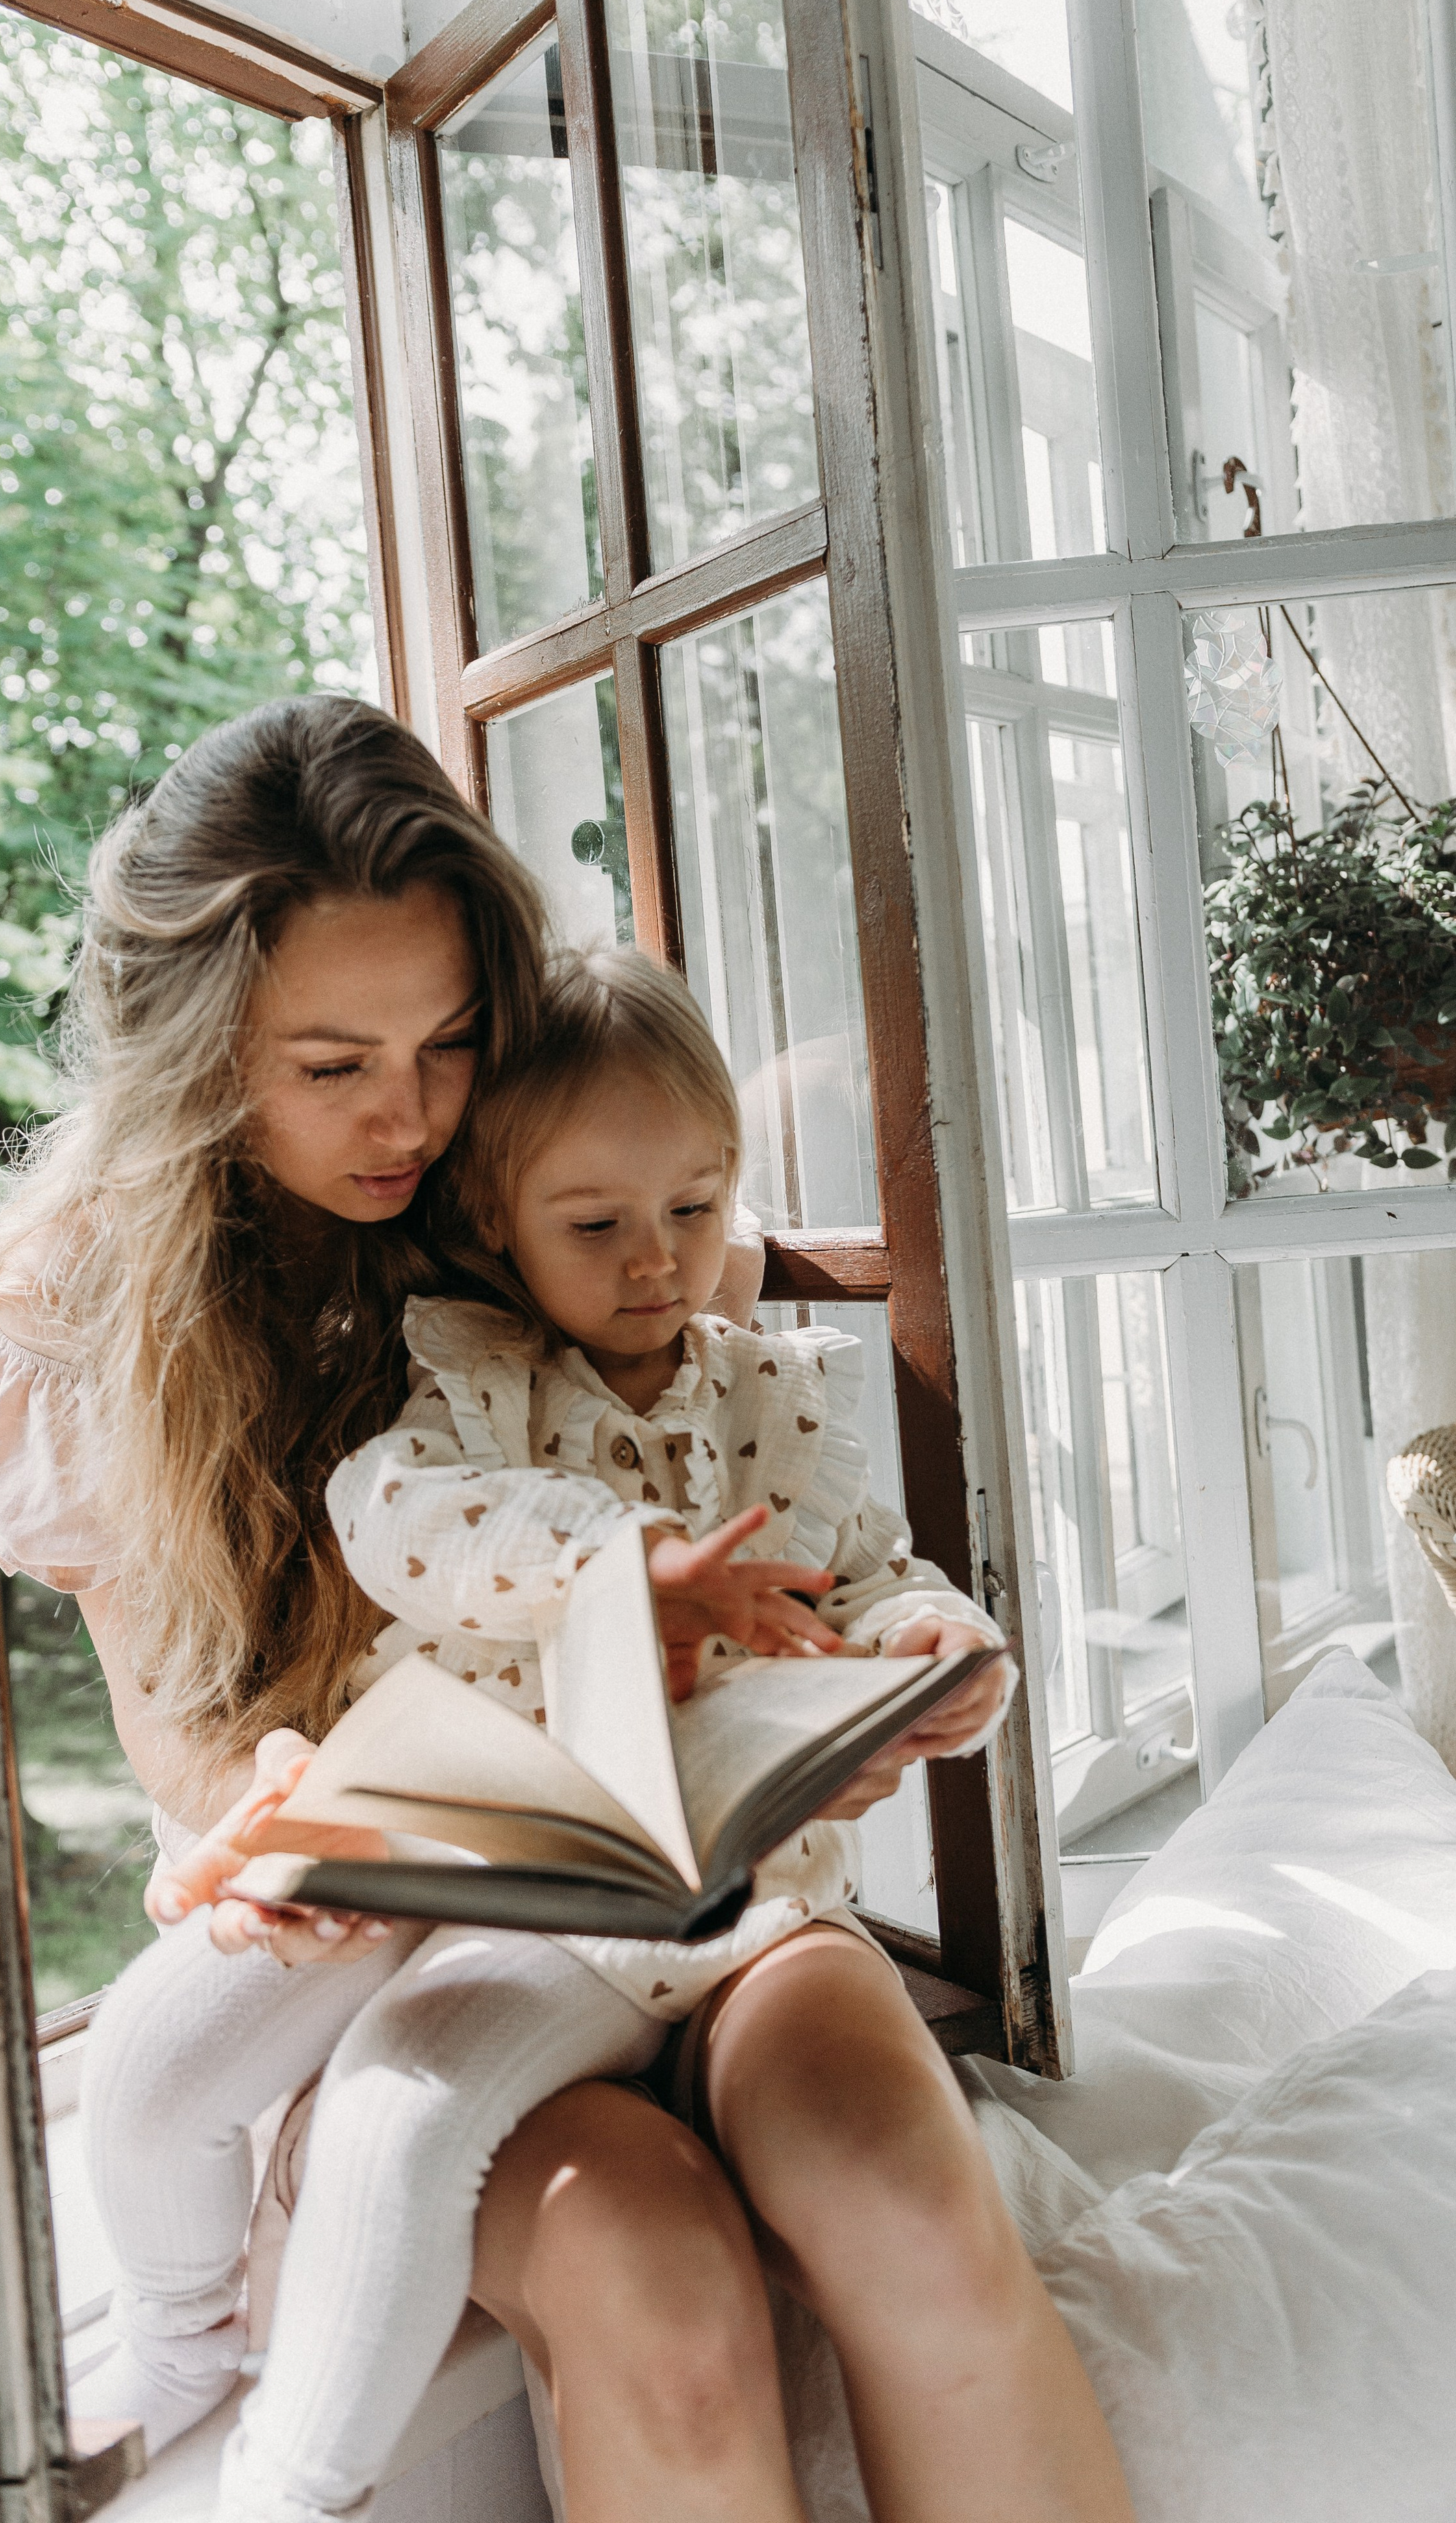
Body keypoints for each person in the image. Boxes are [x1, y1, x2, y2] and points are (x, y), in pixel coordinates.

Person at [0, 697, 1131, 2522]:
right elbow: (181, 1727)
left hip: (706, 1907)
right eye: (332, 1064)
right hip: (403, 1943)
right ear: (199, 1053)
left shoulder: (560, 1178)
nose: (408, 1118)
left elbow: (771, 1497)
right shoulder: (75, 1307)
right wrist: (277, 1796)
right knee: (651, 2289)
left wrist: (817, 1695)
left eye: (446, 1044)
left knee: (909, 2202)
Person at [176, 945, 1015, 2523]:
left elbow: (872, 1572)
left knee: (898, 2185)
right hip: (544, 1913)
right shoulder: (473, 1394)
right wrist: (606, 1560)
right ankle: (285, 2484)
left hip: (748, 1904)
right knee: (401, 2122)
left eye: (694, 1211)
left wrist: (933, 1652)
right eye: (597, 1224)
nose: (657, 1263)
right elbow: (396, 1520)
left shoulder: (770, 1392)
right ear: (495, 1218)